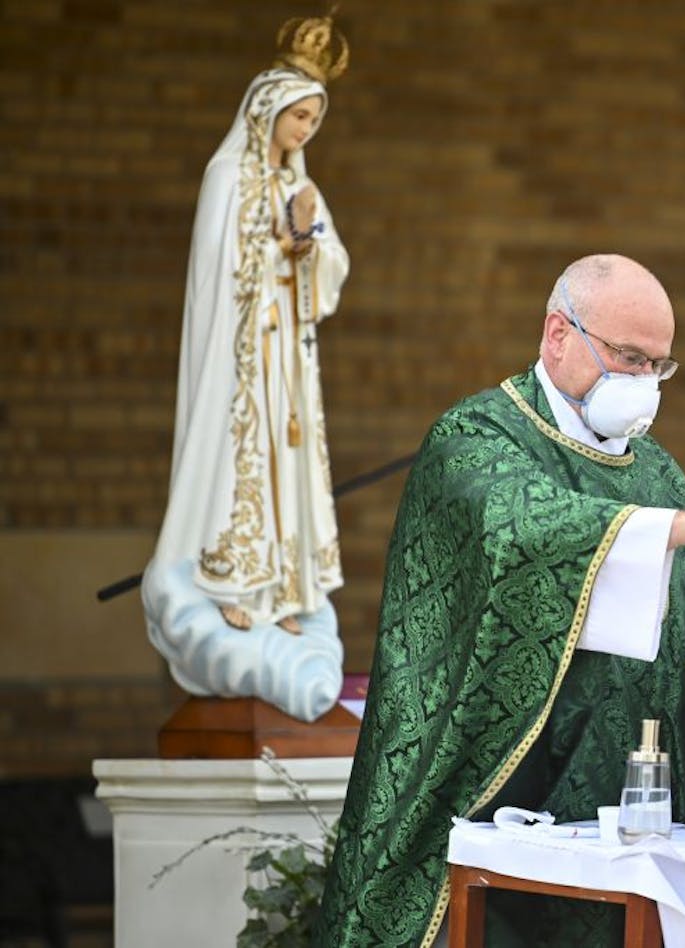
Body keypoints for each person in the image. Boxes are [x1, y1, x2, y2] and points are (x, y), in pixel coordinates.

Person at [316, 254, 685, 947]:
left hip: (626, 796)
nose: (643, 381)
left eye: (659, 366)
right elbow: (528, 531)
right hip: (497, 789)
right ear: (559, 333)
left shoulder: (656, 471)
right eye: (628, 357)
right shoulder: (473, 439)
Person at [140, 19, 351, 722]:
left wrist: (308, 240)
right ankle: (231, 591)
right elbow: (222, 274)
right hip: (241, 364)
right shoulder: (228, 176)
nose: (304, 131)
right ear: (267, 109)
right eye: (299, 115)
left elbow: (328, 273)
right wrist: (279, 244)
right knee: (240, 473)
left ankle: (283, 598)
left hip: (287, 363)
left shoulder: (300, 182)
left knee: (288, 475)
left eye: (314, 120)